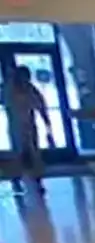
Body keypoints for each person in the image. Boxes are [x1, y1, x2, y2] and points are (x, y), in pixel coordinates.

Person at [1, 65, 54, 194]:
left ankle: (38, 182)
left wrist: (47, 126)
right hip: (16, 127)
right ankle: (16, 181)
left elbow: (41, 107)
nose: (25, 80)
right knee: (18, 155)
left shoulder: (31, 90)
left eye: (26, 77)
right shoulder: (9, 90)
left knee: (35, 155)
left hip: (30, 126)